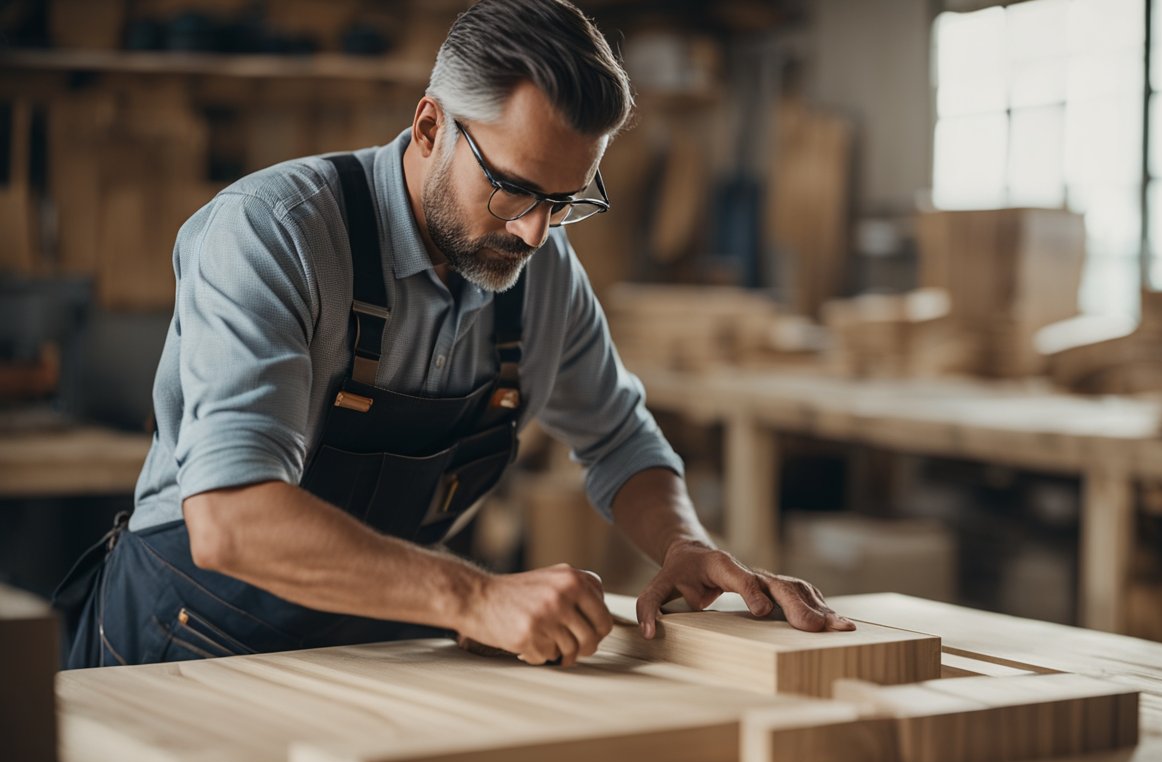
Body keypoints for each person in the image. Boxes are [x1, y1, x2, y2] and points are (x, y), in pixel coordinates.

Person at [57, 0, 853, 671]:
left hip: (371, 652)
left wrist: (682, 544)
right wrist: (475, 597)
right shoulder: (274, 233)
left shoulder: (540, 266)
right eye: (512, 190)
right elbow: (231, 520)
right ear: (430, 126)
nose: (538, 233)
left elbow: (619, 440)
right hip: (183, 646)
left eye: (567, 200)